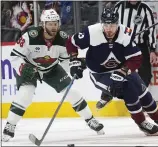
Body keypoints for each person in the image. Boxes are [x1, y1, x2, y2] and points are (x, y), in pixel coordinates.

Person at [66, 8, 158, 136]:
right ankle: (141, 122)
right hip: (100, 74)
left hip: (122, 70)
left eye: (112, 25)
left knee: (142, 90)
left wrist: (123, 71)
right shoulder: (91, 32)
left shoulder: (125, 34)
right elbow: (71, 43)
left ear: (118, 24)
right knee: (128, 89)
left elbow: (136, 58)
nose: (109, 29)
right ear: (101, 24)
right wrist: (74, 59)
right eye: (106, 25)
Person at [2, 9, 104, 142]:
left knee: (71, 91)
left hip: (51, 68)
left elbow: (66, 60)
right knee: (26, 93)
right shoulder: (30, 36)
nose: (53, 27)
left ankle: (90, 119)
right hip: (30, 68)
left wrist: (74, 67)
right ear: (43, 24)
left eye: (55, 24)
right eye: (50, 24)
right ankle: (10, 125)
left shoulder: (63, 39)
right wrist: (23, 68)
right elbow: (15, 57)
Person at [96, 0, 158, 109]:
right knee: (111, 68)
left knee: (145, 73)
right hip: (121, 44)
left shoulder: (145, 8)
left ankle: (140, 100)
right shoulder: (118, 6)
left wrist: (152, 49)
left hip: (140, 45)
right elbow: (110, 24)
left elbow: (152, 29)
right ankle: (106, 95)